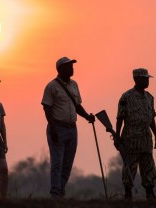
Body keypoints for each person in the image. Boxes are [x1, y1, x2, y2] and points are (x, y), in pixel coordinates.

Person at [41, 56, 95, 198]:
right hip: (57, 127)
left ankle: (61, 190)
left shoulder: (74, 85)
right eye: (68, 66)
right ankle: (55, 193)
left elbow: (77, 105)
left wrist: (87, 117)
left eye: (72, 66)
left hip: (72, 128)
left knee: (67, 164)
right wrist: (52, 129)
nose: (72, 68)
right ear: (60, 69)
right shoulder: (51, 86)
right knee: (57, 163)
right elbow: (47, 108)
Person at [116, 68, 156, 200]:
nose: (147, 81)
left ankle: (150, 192)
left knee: (148, 166)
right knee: (130, 166)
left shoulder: (149, 97)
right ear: (136, 79)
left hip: (146, 138)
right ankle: (128, 193)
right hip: (131, 137)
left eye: (147, 78)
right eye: (144, 78)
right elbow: (120, 118)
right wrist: (117, 137)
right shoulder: (126, 97)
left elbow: (151, 118)